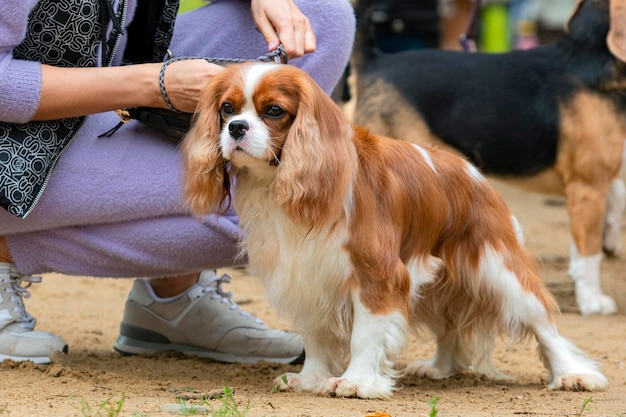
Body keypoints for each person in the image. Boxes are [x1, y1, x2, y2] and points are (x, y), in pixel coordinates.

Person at [0, 0, 355, 364]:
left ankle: (172, 301)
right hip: (11, 139)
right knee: (255, 199)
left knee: (320, 14)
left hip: (102, 74)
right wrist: (151, 84)